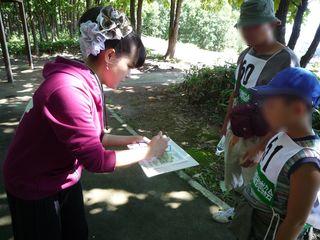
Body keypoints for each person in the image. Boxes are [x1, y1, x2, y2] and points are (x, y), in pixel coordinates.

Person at [3, 6, 169, 240]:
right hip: (33, 182)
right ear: (109, 56)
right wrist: (148, 152)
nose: (129, 75)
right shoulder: (68, 90)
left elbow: (94, 136)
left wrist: (131, 140)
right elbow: (96, 159)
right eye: (129, 66)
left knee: (77, 233)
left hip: (61, 176)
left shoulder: (85, 79)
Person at [213, 0, 299, 223]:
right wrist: (225, 129)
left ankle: (252, 224)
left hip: (262, 136)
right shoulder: (245, 54)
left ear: (272, 25)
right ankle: (237, 211)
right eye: (244, 26)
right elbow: (236, 92)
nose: (247, 32)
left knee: (257, 185)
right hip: (237, 129)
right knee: (234, 175)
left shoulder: (286, 60)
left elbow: (288, 113)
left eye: (254, 26)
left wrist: (261, 148)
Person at [229, 67, 320, 240]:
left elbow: (296, 222)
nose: (263, 108)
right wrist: (259, 149)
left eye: (270, 104)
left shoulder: (306, 164)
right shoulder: (282, 132)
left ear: (298, 109)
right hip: (252, 222)